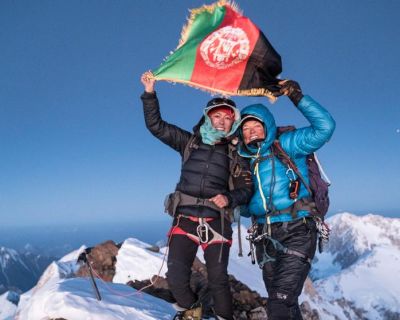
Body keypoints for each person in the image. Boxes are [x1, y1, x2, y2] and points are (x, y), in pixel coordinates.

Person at [140, 71, 253, 320]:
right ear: (207, 117)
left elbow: (247, 189)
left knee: (218, 280)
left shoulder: (237, 155)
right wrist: (149, 92)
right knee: (176, 277)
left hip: (218, 222)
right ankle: (192, 312)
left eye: (227, 117)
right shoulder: (189, 142)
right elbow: (156, 126)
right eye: (217, 116)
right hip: (185, 219)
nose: (222, 121)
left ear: (233, 121)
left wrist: (230, 199)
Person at [238, 80, 336, 320]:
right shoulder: (244, 163)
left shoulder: (287, 144)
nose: (251, 133)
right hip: (265, 237)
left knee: (279, 303)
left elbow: (325, 127)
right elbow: (247, 205)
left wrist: (297, 97)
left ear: (267, 127)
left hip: (298, 230)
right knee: (284, 302)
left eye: (256, 127)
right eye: (246, 129)